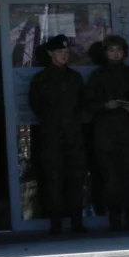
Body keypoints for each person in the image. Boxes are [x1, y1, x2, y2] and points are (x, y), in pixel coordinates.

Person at [28, 34, 87, 234]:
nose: (63, 55)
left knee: (76, 177)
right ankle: (56, 223)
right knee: (53, 178)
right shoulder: (41, 79)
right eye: (59, 52)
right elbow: (36, 106)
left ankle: (77, 221)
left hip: (73, 136)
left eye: (66, 52)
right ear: (50, 54)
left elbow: (82, 104)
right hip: (51, 136)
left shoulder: (75, 77)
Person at [84, 35, 129, 231]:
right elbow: (87, 104)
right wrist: (104, 105)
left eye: (119, 50)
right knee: (110, 177)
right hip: (106, 135)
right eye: (111, 50)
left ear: (124, 52)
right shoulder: (97, 77)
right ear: (105, 53)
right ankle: (114, 217)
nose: (115, 53)